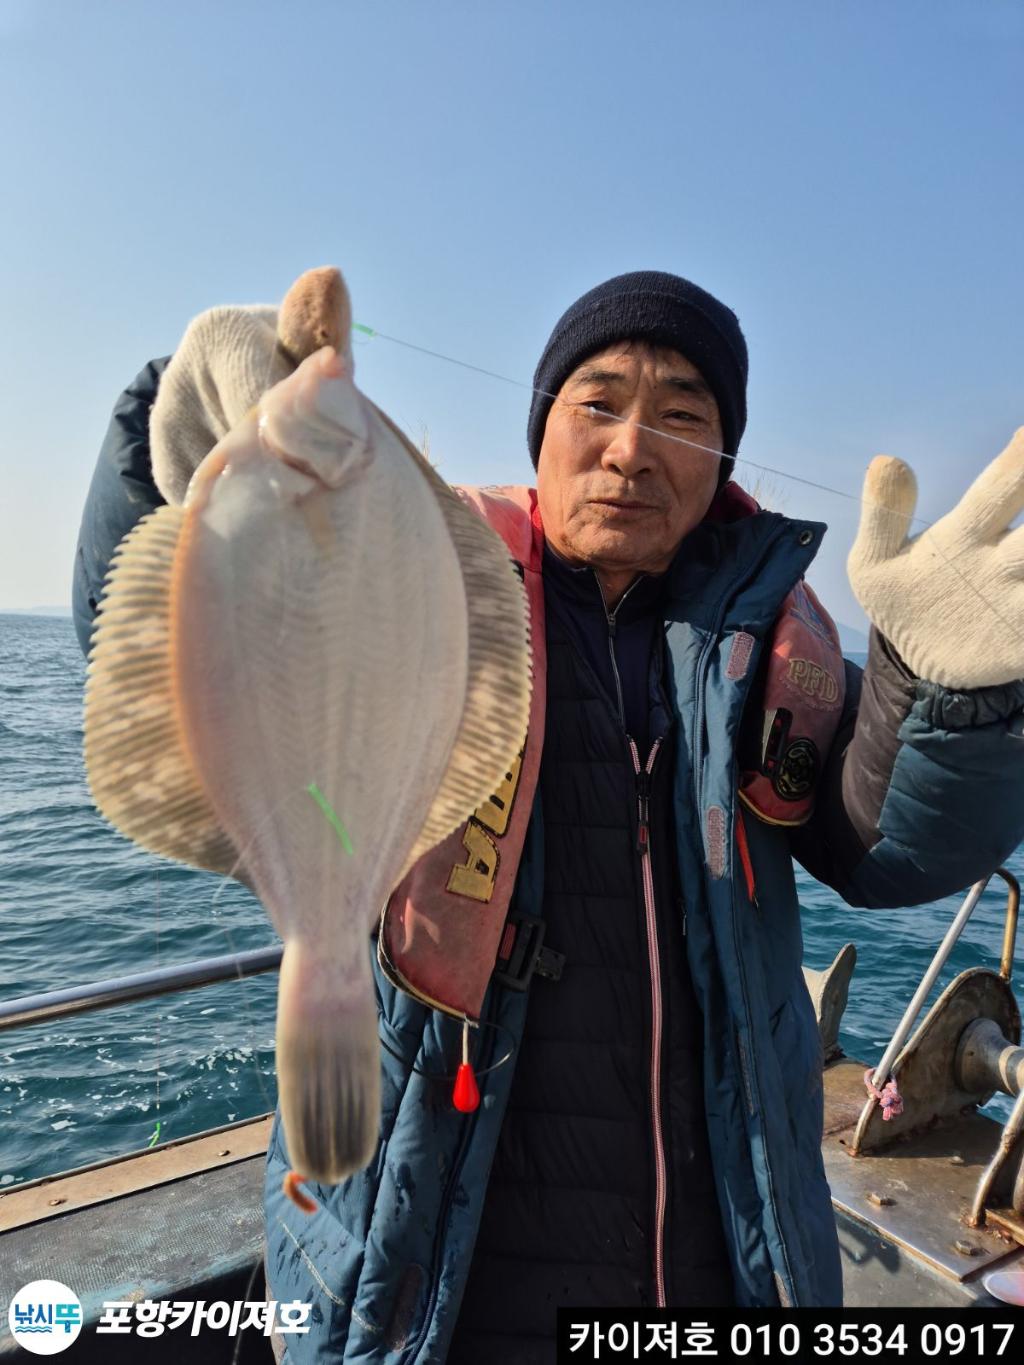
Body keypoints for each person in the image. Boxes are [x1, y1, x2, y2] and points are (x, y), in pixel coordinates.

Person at [74, 269, 1024, 1363]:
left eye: (682, 415)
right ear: (541, 430)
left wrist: (952, 700)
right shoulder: (430, 570)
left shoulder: (772, 645)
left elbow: (891, 852)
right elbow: (160, 636)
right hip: (444, 1271)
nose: (633, 446)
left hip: (732, 1258)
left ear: (720, 460)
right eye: (598, 401)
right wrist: (166, 437)